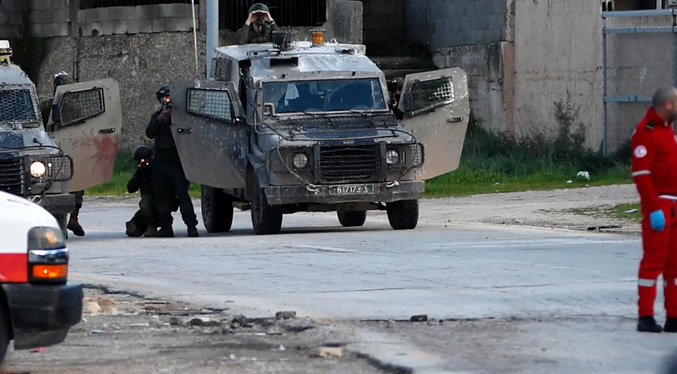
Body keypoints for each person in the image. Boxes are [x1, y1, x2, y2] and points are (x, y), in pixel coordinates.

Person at [631, 86, 677, 333]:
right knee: (653, 262)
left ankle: (674, 316)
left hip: (674, 204)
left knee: (674, 266)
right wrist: (652, 208)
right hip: (659, 205)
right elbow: (641, 174)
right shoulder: (646, 131)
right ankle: (645, 316)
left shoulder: (668, 131)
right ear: (668, 104)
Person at [145, 85, 199, 238]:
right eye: (163, 98)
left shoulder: (181, 117)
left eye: (168, 97)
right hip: (161, 161)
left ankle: (191, 227)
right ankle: (166, 227)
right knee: (161, 196)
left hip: (176, 161)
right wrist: (161, 118)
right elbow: (150, 133)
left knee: (182, 195)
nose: (166, 100)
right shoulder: (158, 116)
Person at [39, 71, 86, 237]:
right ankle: (72, 218)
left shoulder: (47, 106)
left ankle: (67, 220)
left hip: (54, 150)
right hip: (70, 150)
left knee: (55, 186)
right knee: (76, 185)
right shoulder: (77, 107)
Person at [125, 145, 159, 238]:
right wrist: (138, 173)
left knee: (148, 204)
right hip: (149, 205)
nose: (144, 162)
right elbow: (131, 188)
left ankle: (154, 227)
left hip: (161, 201)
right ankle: (148, 226)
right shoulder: (141, 172)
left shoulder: (158, 169)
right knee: (131, 230)